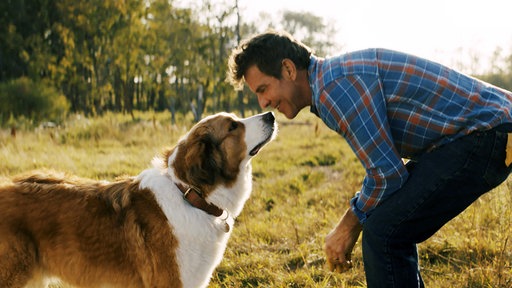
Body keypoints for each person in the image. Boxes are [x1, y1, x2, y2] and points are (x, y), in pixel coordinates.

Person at [227, 30, 512, 287]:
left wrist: (347, 226)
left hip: (487, 134)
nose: (262, 103)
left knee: (384, 232)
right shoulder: (332, 82)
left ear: (288, 69)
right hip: (486, 134)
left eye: (263, 89)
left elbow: (387, 174)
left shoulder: (334, 89)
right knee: (387, 226)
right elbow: (388, 173)